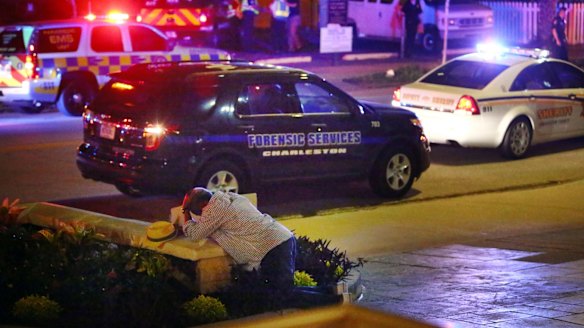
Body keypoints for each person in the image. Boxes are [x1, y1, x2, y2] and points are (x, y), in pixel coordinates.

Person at [178, 187, 297, 293]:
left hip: (272, 246)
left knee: (284, 294)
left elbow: (195, 234)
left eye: (198, 212)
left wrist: (185, 212)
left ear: (203, 204)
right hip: (280, 239)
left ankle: (316, 306)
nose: (203, 216)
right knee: (282, 292)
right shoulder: (229, 198)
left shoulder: (215, 209)